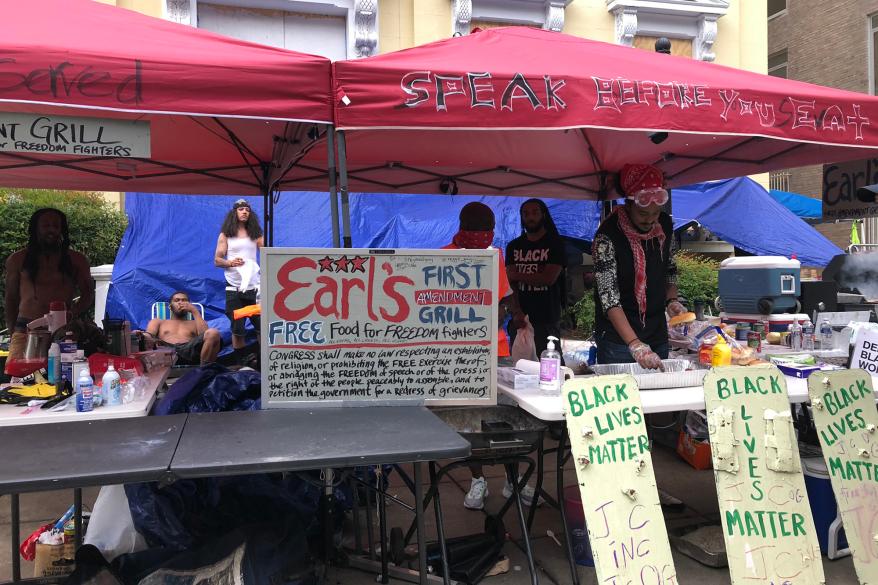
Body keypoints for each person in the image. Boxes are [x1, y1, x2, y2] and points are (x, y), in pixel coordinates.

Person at [443, 202, 535, 510]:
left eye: (486, 232)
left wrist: (516, 314)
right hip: (459, 352)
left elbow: (506, 295)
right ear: (460, 227)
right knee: (469, 420)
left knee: (506, 418)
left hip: (496, 347)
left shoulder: (494, 255)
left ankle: (512, 478)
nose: (480, 238)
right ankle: (477, 480)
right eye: (474, 231)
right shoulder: (440, 257)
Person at [592, 163, 686, 368]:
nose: (650, 220)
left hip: (657, 332)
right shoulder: (607, 236)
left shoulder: (664, 224)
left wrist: (672, 300)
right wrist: (635, 345)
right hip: (618, 340)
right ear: (629, 204)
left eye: (655, 213)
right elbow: (609, 299)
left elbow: (669, 268)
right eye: (643, 214)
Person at [4, 208, 94, 358]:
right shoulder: (17, 259)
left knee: (62, 376)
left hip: (63, 330)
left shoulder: (77, 260)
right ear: (36, 229)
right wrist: (13, 330)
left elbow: (88, 294)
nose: (51, 229)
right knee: (19, 377)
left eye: (56, 226)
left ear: (62, 230)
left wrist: (73, 313)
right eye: (46, 225)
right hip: (26, 328)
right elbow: (11, 298)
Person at [506, 199, 567, 358]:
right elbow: (509, 283)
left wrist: (517, 274)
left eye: (535, 212)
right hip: (519, 319)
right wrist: (516, 312)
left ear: (544, 215)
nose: (530, 217)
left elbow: (548, 279)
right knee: (520, 369)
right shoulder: (513, 246)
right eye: (525, 214)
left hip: (547, 318)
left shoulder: (555, 244)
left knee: (551, 367)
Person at [215, 199, 263, 350]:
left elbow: (267, 253)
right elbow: (217, 260)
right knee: (238, 329)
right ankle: (241, 364)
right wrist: (230, 263)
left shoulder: (256, 234)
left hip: (255, 288)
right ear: (235, 212)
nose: (244, 212)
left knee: (262, 325)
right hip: (234, 288)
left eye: (247, 210)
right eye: (241, 209)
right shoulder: (226, 235)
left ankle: (265, 364)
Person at [140, 291, 221, 365]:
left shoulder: (195, 323)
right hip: (165, 351)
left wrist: (194, 311)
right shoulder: (158, 321)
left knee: (213, 332)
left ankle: (204, 371)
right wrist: (142, 335)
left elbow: (206, 336)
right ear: (170, 306)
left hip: (189, 352)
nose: (180, 302)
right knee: (141, 336)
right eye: (177, 300)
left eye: (184, 300)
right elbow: (149, 335)